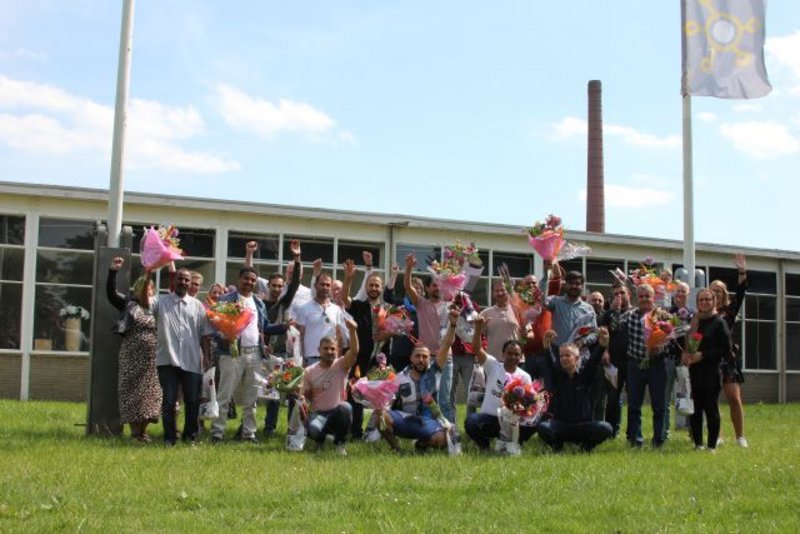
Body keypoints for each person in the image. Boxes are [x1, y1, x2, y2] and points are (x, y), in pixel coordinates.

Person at [210, 267, 287, 444]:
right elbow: (215, 326)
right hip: (232, 353)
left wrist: (284, 326)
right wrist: (224, 337)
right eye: (246, 278)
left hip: (255, 354)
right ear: (239, 279)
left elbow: (264, 327)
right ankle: (217, 433)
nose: (249, 282)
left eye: (253, 280)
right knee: (225, 395)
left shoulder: (258, 303)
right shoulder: (226, 300)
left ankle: (248, 433)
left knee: (252, 397)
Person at [378, 306, 460, 453]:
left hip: (427, 422)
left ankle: (421, 444)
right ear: (411, 358)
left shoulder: (433, 373)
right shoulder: (399, 377)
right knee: (381, 418)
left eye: (425, 357)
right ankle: (397, 449)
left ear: (429, 359)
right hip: (405, 420)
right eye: (417, 356)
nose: (421, 360)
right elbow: (387, 402)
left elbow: (446, 344)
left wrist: (453, 325)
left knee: (443, 440)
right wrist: (381, 407)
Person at [149, 268, 212, 446]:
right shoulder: (160, 301)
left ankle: (190, 437)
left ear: (190, 283)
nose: (183, 282)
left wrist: (206, 357)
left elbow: (204, 334)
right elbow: (144, 302)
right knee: (169, 401)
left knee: (192, 401)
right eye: (180, 279)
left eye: (186, 280)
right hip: (167, 360)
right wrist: (147, 276)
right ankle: (169, 438)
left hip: (192, 360)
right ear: (173, 281)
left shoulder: (197, 306)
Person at [106, 257, 161, 443]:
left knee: (150, 394)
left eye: (149, 289)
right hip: (131, 356)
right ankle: (135, 432)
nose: (146, 291)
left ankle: (143, 431)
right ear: (136, 290)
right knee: (131, 392)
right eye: (142, 288)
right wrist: (113, 271)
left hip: (152, 359)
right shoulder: (129, 303)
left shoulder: (156, 308)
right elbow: (112, 294)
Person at [464, 315, 537, 451]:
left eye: (516, 354)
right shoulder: (493, 365)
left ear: (521, 356)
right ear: (503, 354)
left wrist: (522, 407)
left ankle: (515, 443)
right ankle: (484, 446)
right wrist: (478, 328)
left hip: (512, 421)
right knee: (471, 421)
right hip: (490, 419)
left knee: (534, 423)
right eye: (509, 353)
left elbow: (530, 403)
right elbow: (476, 349)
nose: (513, 357)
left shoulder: (525, 376)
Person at [537, 328, 613, 452]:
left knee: (606, 428)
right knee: (543, 427)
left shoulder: (586, 375)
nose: (563, 358)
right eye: (561, 356)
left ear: (577, 359)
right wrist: (547, 348)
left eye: (567, 355)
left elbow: (593, 362)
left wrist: (602, 346)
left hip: (583, 427)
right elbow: (550, 364)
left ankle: (585, 448)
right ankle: (558, 447)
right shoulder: (557, 376)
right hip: (562, 426)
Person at [614, 284, 672, 448]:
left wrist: (661, 347)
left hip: (657, 364)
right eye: (641, 296)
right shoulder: (629, 315)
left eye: (648, 296)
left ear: (653, 297)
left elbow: (673, 339)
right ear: (636, 298)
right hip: (635, 363)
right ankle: (635, 440)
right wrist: (615, 310)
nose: (645, 299)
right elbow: (615, 327)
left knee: (659, 405)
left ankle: (658, 441)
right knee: (634, 404)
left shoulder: (663, 315)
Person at [341, 257, 390, 439]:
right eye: (371, 285)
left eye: (377, 285)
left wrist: (388, 335)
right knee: (355, 396)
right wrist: (348, 279)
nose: (374, 288)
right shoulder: (359, 306)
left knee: (379, 398)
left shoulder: (389, 309)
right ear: (367, 288)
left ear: (381, 288)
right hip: (359, 360)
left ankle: (374, 432)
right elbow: (344, 299)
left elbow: (401, 330)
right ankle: (355, 431)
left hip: (380, 361)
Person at [403, 252, 455, 423]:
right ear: (427, 288)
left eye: (439, 285)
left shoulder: (450, 305)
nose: (437, 288)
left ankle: (449, 432)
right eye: (433, 285)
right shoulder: (421, 304)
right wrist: (409, 268)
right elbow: (407, 286)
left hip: (445, 358)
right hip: (426, 358)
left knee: (445, 399)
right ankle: (429, 428)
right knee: (427, 397)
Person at [682, 289, 731, 451]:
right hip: (694, 371)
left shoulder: (719, 322)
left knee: (711, 409)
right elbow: (685, 343)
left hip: (711, 372)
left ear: (714, 301)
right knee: (695, 410)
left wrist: (703, 355)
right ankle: (698, 444)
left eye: (707, 299)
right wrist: (685, 353)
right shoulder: (693, 321)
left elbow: (725, 349)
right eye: (701, 300)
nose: (704, 302)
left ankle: (711, 446)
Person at [302, 319, 360, 455]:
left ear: (337, 350)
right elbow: (306, 396)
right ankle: (321, 440)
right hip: (318, 415)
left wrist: (352, 330)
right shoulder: (309, 371)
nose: (329, 351)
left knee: (346, 407)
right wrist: (301, 399)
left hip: (337, 414)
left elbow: (354, 351)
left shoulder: (342, 364)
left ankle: (339, 443)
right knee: (314, 430)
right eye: (326, 348)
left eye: (332, 348)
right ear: (319, 350)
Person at [709, 253, 749, 448]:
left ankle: (740, 437)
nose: (715, 294)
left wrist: (741, 271)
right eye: (712, 290)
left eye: (719, 291)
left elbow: (741, 293)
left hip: (728, 360)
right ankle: (717, 436)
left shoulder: (729, 311)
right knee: (712, 400)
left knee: (734, 397)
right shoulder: (703, 313)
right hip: (710, 360)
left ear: (723, 294)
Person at [295, 272, 350, 367]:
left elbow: (339, 336)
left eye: (328, 285)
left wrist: (339, 357)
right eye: (322, 284)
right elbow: (300, 336)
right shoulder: (304, 309)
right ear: (316, 285)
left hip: (331, 358)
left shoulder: (336, 309)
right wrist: (302, 358)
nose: (325, 287)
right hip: (311, 358)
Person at [599, 284, 631, 437]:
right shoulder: (608, 314)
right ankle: (612, 431)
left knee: (633, 399)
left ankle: (632, 433)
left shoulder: (634, 312)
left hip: (632, 361)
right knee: (613, 398)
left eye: (622, 293)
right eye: (616, 294)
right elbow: (604, 333)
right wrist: (605, 352)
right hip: (613, 362)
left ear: (628, 293)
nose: (619, 296)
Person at [479, 279, 522, 362]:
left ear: (508, 292)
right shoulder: (485, 313)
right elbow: (477, 337)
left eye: (502, 290)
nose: (500, 293)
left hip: (515, 360)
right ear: (492, 293)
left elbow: (530, 334)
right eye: (497, 291)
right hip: (493, 361)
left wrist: (525, 334)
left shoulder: (519, 311)